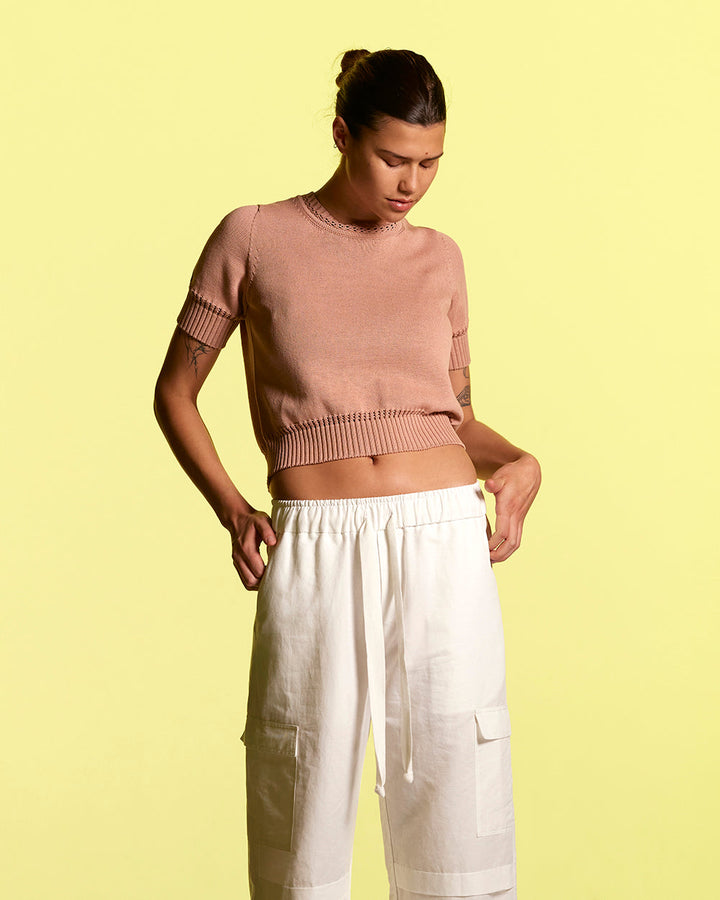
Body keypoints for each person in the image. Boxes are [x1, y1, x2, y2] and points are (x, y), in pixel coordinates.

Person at [154, 47, 540, 900]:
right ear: (341, 134)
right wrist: (233, 510)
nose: (413, 184)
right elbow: (175, 392)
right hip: (316, 544)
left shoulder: (441, 258)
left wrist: (520, 463)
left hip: (445, 539)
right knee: (299, 795)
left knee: (459, 787)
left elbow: (454, 416)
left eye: (431, 163)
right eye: (394, 159)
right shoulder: (253, 236)